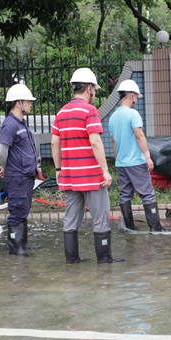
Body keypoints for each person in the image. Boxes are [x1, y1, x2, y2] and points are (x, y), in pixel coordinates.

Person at [51, 68, 123, 264]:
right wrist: (105, 171)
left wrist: (58, 170)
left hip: (69, 177)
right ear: (89, 88)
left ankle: (72, 260)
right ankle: (104, 260)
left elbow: (54, 143)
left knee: (70, 220)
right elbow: (95, 142)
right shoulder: (90, 111)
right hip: (91, 177)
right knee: (100, 219)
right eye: (94, 89)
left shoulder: (61, 112)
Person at [108, 79, 164, 233]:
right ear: (131, 95)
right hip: (136, 162)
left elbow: (113, 141)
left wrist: (118, 158)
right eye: (137, 97)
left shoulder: (113, 117)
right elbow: (139, 136)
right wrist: (147, 157)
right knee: (147, 195)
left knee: (125, 195)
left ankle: (129, 228)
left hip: (121, 164)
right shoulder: (133, 114)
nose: (137, 100)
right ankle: (156, 229)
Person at [0, 83, 40, 256]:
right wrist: (7, 168)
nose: (30, 104)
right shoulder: (10, 124)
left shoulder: (21, 123)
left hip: (25, 175)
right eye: (28, 101)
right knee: (17, 211)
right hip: (17, 176)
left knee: (23, 209)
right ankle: (16, 249)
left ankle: (23, 244)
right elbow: (1, 151)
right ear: (18, 103)